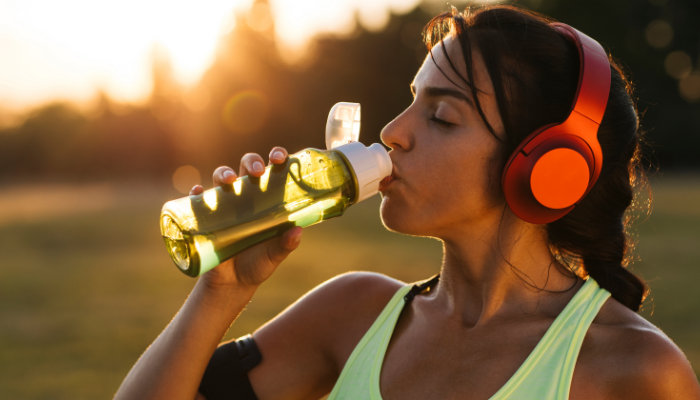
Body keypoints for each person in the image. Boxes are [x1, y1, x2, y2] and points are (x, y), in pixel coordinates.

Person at [115, 5, 700, 400]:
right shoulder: (351, 313)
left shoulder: (635, 371)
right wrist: (220, 293)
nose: (393, 131)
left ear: (547, 169)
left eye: (442, 117)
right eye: (411, 102)